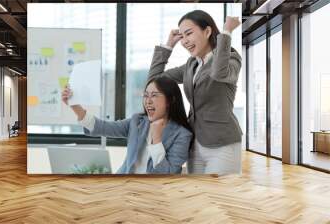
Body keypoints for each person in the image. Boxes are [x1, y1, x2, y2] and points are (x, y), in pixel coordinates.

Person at [148, 10, 242, 175]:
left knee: (216, 197)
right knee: (197, 195)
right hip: (195, 144)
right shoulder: (191, 65)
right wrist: (168, 45)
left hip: (222, 145)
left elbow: (219, 73)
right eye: (182, 36)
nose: (184, 41)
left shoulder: (231, 59)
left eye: (189, 33)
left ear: (207, 31)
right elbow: (154, 82)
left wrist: (226, 32)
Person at [61, 76, 193, 174]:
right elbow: (103, 127)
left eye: (154, 95)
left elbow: (168, 174)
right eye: (145, 96)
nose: (148, 101)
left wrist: (156, 140)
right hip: (124, 186)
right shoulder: (137, 121)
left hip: (155, 194)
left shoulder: (182, 134)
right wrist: (75, 106)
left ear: (170, 100)